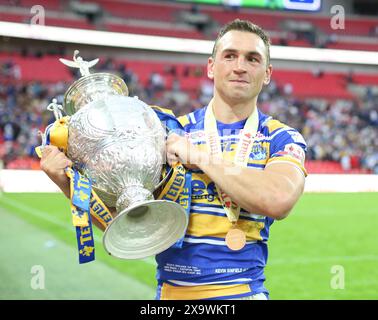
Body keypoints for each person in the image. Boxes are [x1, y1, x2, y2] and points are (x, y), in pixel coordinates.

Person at [40, 19, 307, 300]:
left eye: (252, 59)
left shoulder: (282, 138)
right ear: (211, 67)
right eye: (229, 56)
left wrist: (200, 156)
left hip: (242, 291)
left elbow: (278, 200)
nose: (240, 66)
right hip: (170, 296)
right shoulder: (165, 132)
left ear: (267, 73)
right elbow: (133, 223)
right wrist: (67, 184)